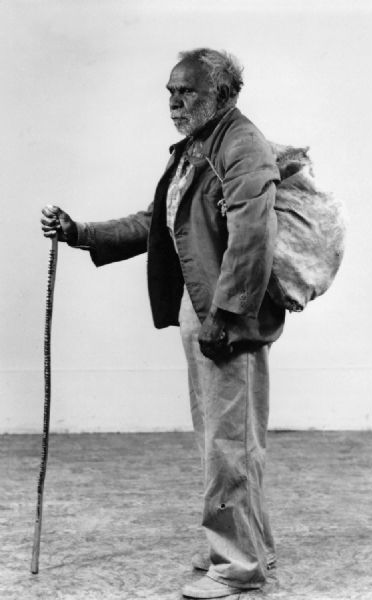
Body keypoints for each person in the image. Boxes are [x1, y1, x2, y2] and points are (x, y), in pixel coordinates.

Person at [41, 48, 285, 599]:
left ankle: (239, 567)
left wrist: (225, 315)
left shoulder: (242, 145)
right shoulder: (199, 148)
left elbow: (253, 237)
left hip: (227, 320)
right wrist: (81, 232)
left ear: (223, 93)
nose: (174, 103)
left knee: (231, 446)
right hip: (203, 316)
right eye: (170, 93)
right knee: (221, 442)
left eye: (187, 92)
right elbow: (158, 222)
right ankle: (246, 545)